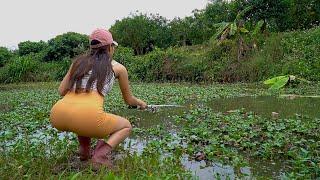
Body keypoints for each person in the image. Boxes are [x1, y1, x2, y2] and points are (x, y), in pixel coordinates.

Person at [50, 28, 147, 168]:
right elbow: (129, 100)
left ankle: (84, 152)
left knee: (82, 120)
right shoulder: (118, 68)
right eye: (113, 46)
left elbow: (61, 90)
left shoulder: (77, 63)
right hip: (88, 115)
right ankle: (100, 155)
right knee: (125, 126)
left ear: (92, 48)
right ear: (109, 47)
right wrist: (141, 103)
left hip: (57, 115)